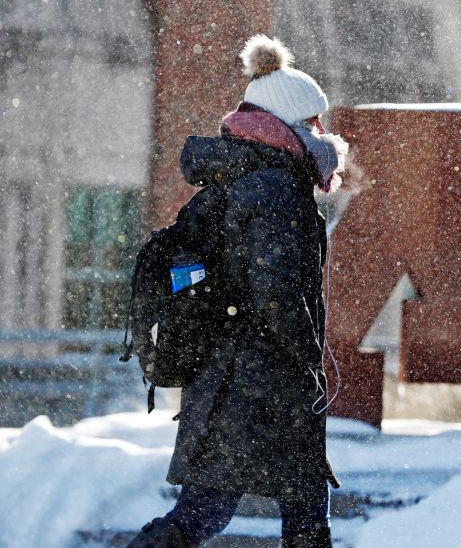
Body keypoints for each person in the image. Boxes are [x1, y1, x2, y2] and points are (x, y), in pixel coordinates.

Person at [129, 35, 347, 548]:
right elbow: (274, 288)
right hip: (262, 379)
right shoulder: (275, 187)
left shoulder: (238, 178)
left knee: (253, 506)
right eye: (312, 123)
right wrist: (305, 353)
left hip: (232, 374)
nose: (321, 133)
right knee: (225, 511)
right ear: (288, 126)